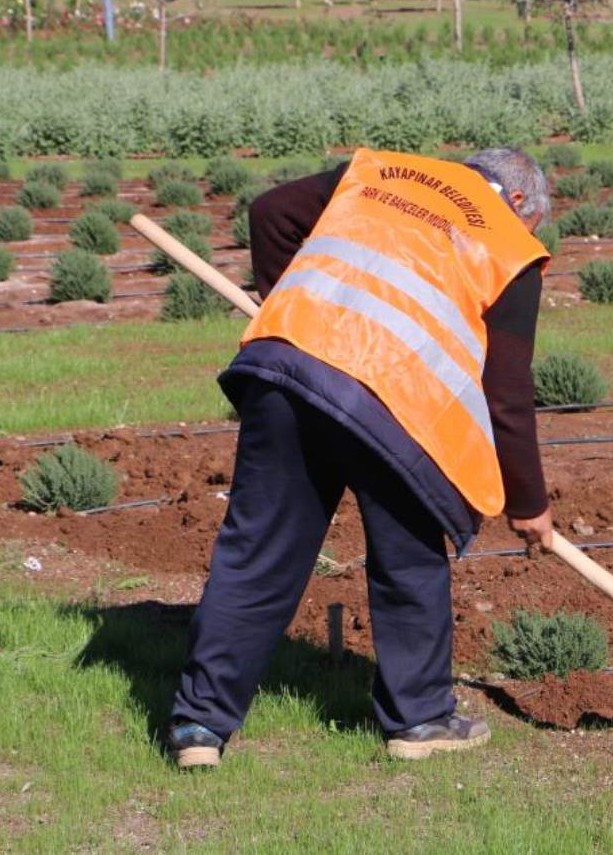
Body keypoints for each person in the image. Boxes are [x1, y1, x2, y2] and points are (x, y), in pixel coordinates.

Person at [167, 147, 556, 767]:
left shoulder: (383, 173)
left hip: (287, 370)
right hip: (396, 404)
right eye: (531, 223)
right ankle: (420, 720)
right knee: (409, 560)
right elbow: (505, 392)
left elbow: (270, 211)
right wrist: (529, 503)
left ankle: (199, 728)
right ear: (518, 205)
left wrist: (296, 308)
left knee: (256, 551)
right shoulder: (509, 244)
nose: (526, 233)